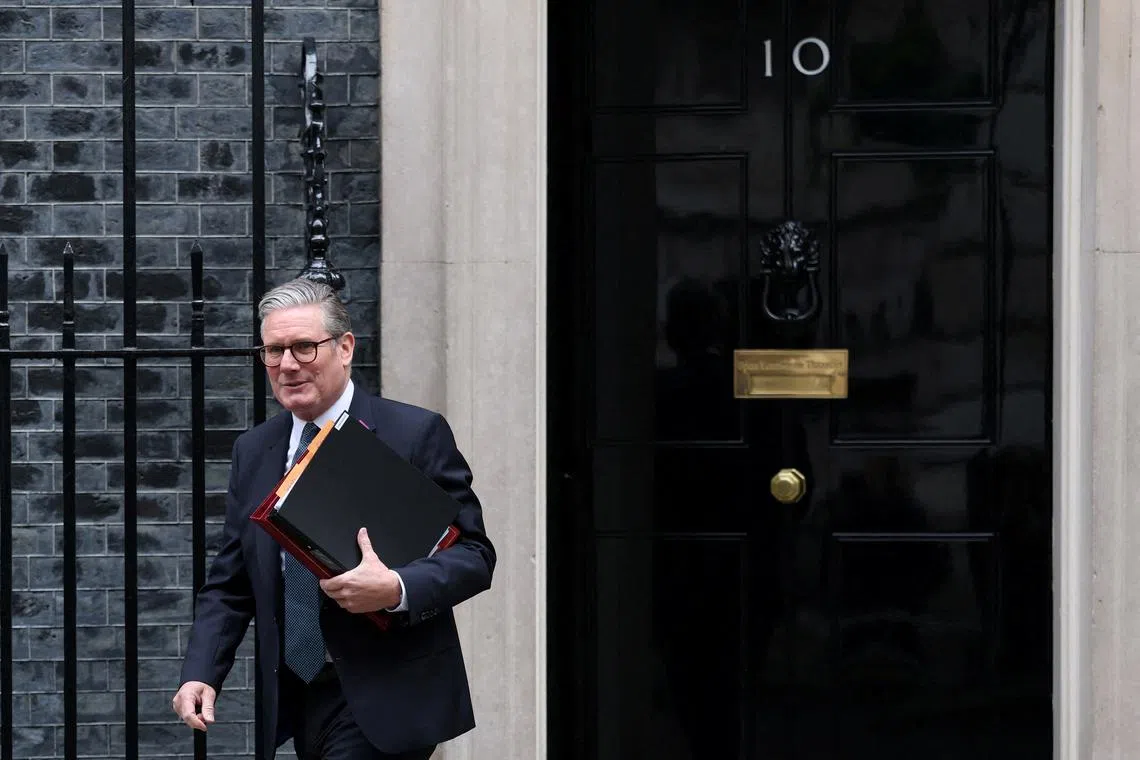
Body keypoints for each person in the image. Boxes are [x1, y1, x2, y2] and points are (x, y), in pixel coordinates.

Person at [171, 278, 496, 760]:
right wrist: (202, 671)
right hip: (298, 692)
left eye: (304, 347)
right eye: (273, 350)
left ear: (345, 348)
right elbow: (232, 580)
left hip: (386, 690)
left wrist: (397, 588)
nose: (287, 365)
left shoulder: (412, 433)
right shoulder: (254, 450)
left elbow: (474, 554)